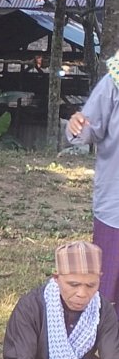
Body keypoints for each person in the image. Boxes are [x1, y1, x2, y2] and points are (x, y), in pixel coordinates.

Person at [66, 50, 119, 314]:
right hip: (115, 208)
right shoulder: (115, 81)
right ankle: (107, 351)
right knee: (107, 292)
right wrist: (77, 125)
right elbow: (86, 128)